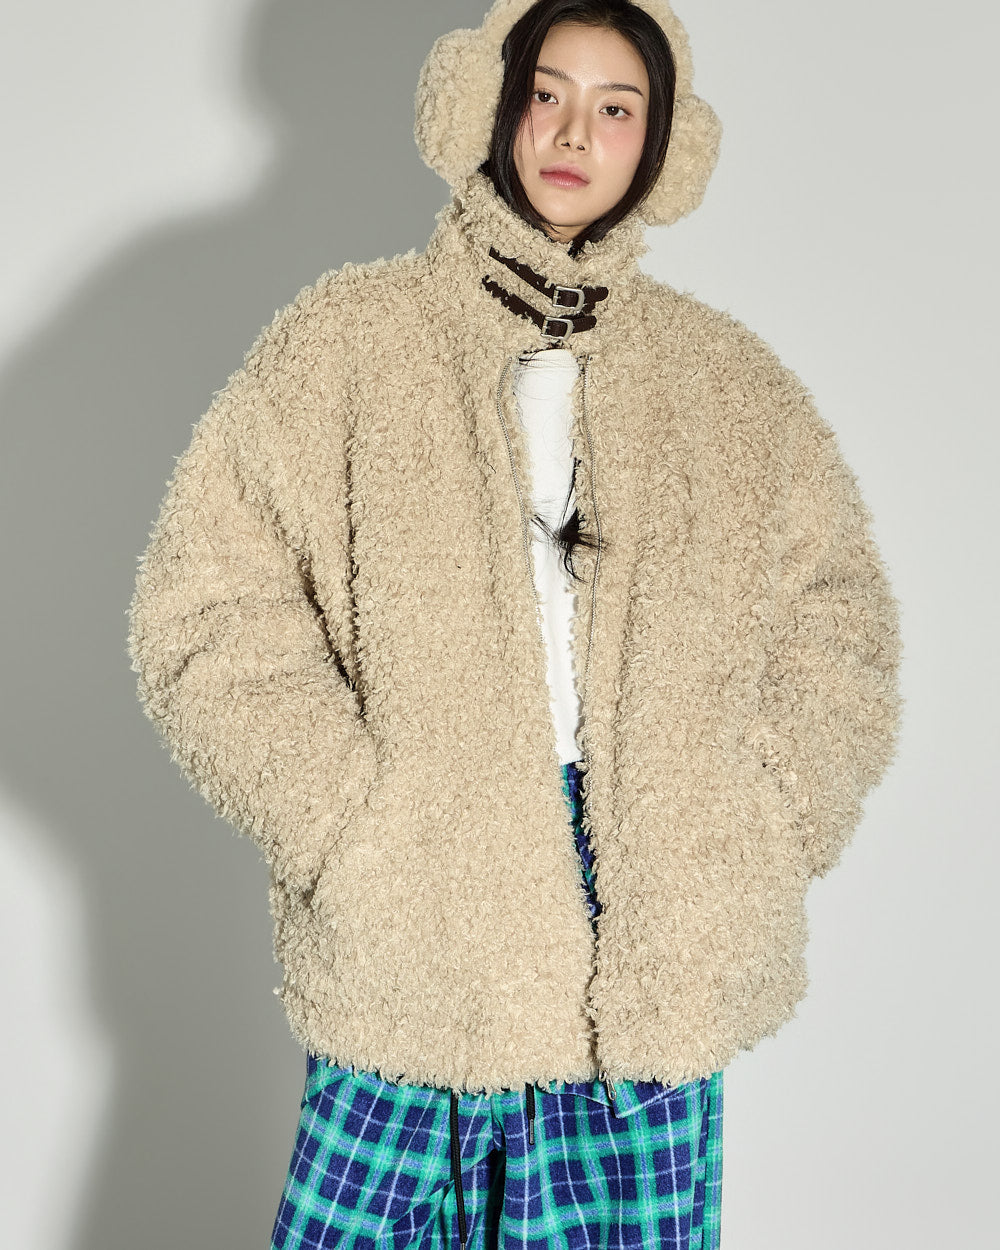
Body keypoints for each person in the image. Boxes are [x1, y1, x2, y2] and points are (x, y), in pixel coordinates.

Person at [125, 1, 903, 1246]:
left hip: (650, 928)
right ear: (484, 102)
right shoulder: (350, 341)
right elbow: (203, 600)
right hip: (419, 893)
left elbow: (840, 625)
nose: (575, 133)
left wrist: (760, 814)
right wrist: (344, 815)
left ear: (662, 144)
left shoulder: (728, 385)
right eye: (547, 93)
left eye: (616, 108)